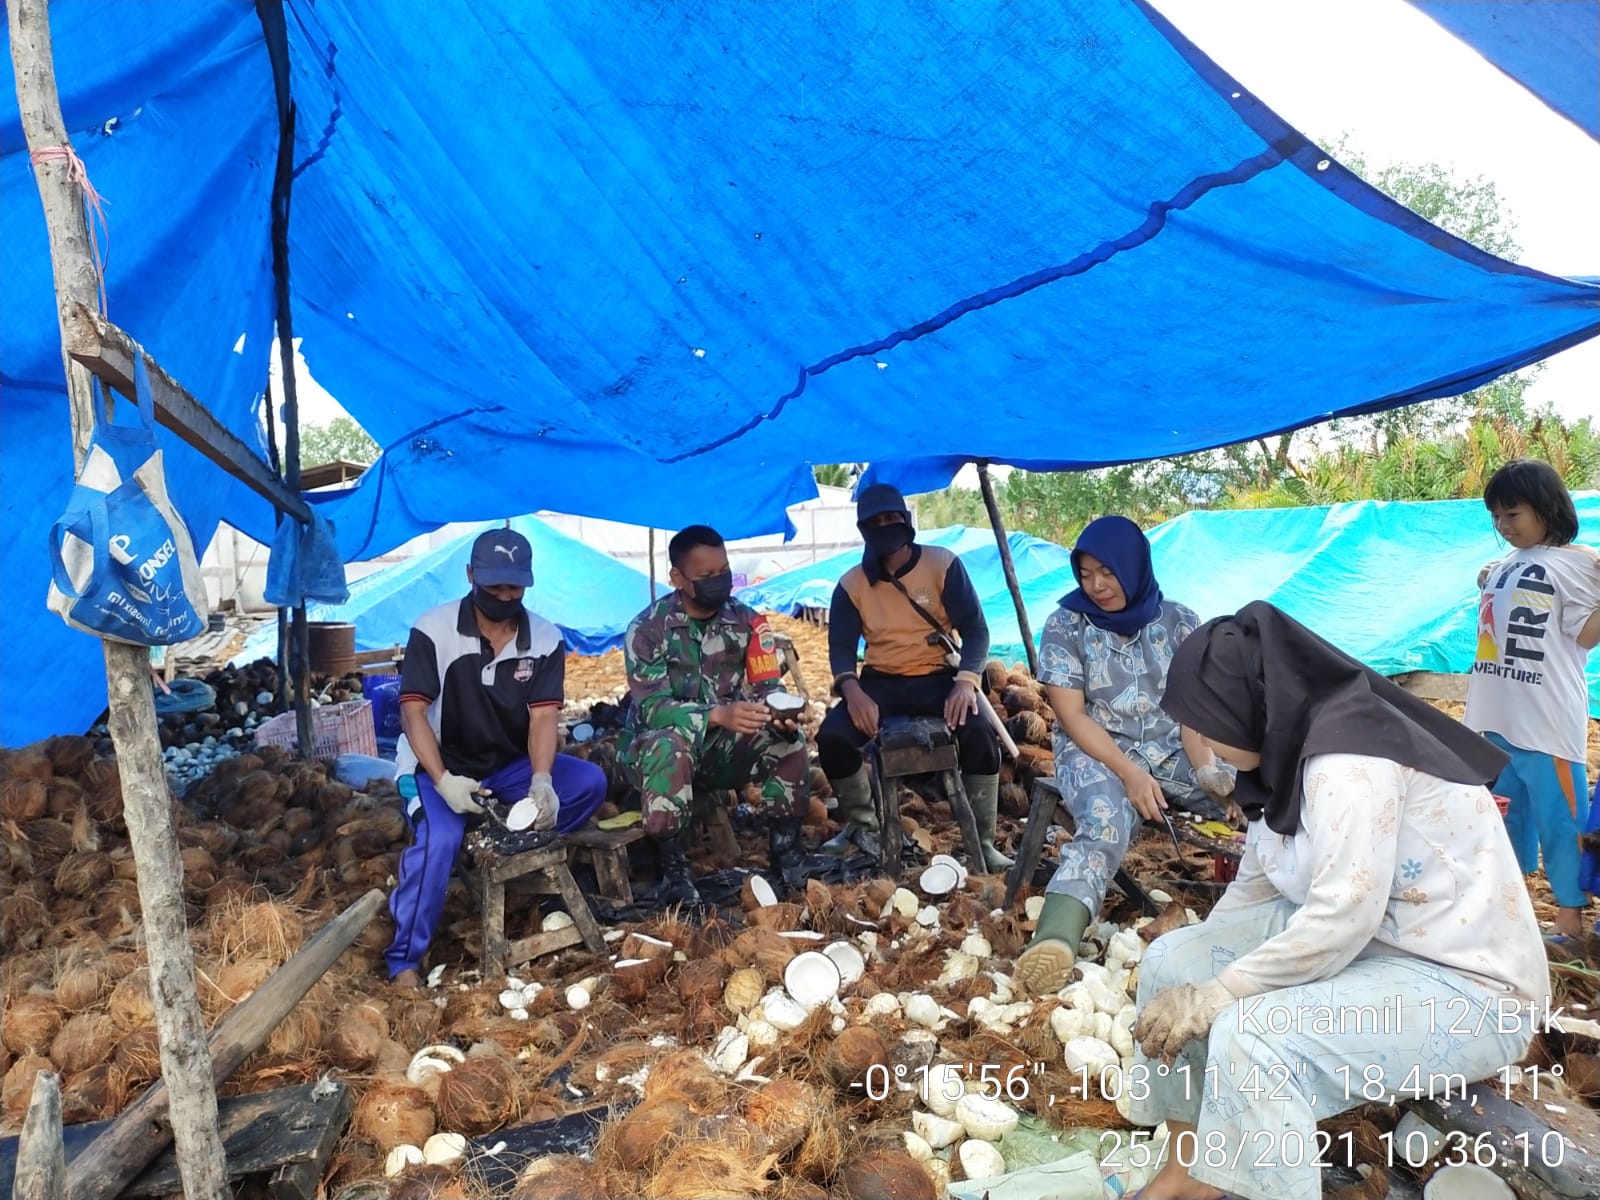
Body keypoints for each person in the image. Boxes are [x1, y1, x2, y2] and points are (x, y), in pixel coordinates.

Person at [1123, 601, 1546, 1200]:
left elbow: (1344, 915)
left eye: (1208, 725)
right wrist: (1205, 971)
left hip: (1465, 986)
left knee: (1255, 1036)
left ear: (1247, 704)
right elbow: (1255, 889)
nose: (1206, 746)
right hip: (1375, 948)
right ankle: (1191, 1173)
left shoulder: (1349, 762)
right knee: (1174, 962)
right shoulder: (1282, 755)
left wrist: (1223, 993)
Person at [1014, 515, 1233, 995]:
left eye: (1108, 572)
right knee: (1105, 824)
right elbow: (1073, 715)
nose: (1096, 586)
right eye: (1085, 574)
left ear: (1133, 566)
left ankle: (1293, 912)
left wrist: (1207, 771)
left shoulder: (1180, 623)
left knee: (1249, 795)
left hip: (1171, 747)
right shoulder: (1066, 625)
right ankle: (1054, 940)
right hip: (1095, 749)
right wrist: (1129, 773)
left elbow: (1191, 715)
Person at [386, 529, 607, 988]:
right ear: (471, 575)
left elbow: (543, 717)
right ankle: (404, 960)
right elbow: (412, 713)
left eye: (514, 587)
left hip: (507, 767)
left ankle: (501, 838)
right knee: (439, 841)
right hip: (437, 765)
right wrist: (444, 780)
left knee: (587, 784)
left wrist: (542, 779)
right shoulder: (434, 630)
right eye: (495, 586)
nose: (505, 596)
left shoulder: (544, 638)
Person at [819, 484, 1009, 870]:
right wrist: (852, 691)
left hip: (938, 678)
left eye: (892, 518)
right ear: (863, 530)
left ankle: (984, 841)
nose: (885, 527)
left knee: (980, 734)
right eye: (875, 522)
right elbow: (840, 647)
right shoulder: (851, 585)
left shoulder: (942, 564)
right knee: (832, 737)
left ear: (906, 521)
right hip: (881, 682)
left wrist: (965, 682)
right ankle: (863, 825)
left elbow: (976, 631)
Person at [619, 524, 810, 904]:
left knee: (788, 743)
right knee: (670, 746)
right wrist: (717, 715)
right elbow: (654, 709)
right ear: (677, 578)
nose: (718, 581)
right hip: (653, 753)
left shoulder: (749, 622)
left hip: (719, 750)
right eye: (706, 575)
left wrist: (781, 715)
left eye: (723, 571)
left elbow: (767, 687)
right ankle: (673, 869)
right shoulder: (647, 630)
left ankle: (786, 852)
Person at [1463, 459, 1599, 945]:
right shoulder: (1507, 563)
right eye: (1496, 516)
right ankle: (1512, 910)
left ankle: (1570, 921)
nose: (1503, 525)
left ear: (1547, 507)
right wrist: (1489, 575)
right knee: (1506, 817)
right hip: (1495, 719)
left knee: (1560, 819)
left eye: (1512, 514)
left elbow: (1585, 635)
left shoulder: (1579, 563)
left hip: (1544, 720)